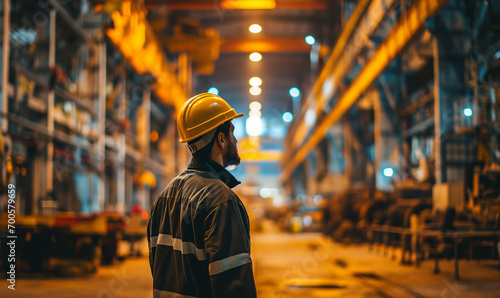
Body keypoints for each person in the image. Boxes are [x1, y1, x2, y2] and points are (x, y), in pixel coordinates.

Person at [148, 93, 257, 298]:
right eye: (232, 133)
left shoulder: (163, 198)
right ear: (221, 139)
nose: (236, 140)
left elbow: (158, 269)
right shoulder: (221, 201)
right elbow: (234, 286)